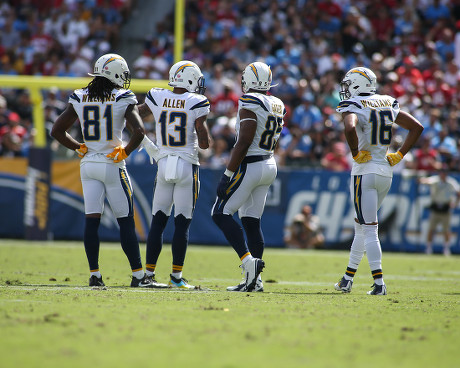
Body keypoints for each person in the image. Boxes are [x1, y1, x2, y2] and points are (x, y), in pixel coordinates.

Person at [51, 53, 156, 288]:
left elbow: (57, 130)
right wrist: (126, 151)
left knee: (91, 220)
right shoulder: (123, 97)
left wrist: (77, 146)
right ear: (115, 74)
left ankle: (95, 274)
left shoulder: (79, 96)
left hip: (88, 164)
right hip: (111, 163)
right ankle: (139, 276)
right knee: (126, 222)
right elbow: (139, 132)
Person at [334, 67, 423, 295]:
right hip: (385, 170)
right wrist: (400, 154)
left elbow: (350, 126)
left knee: (369, 229)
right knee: (361, 227)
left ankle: (379, 283)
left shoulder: (353, 105)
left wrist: (354, 151)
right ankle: (347, 278)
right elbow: (416, 127)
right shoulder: (387, 101)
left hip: (365, 170)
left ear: (356, 84)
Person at [211, 61, 285, 292]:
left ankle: (249, 263)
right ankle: (255, 281)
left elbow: (243, 141)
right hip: (269, 162)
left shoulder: (249, 101)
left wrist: (228, 173)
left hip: (251, 164)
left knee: (220, 213)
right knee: (251, 221)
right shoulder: (277, 103)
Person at [139, 60, 211, 289]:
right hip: (187, 165)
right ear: (190, 79)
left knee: (158, 222)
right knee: (182, 224)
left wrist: (148, 143)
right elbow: (205, 142)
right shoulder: (196, 101)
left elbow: (133, 116)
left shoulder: (158, 96)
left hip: (163, 164)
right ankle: (176, 278)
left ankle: (147, 274)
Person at [419, 168, 460, 255]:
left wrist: (455, 203)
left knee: (446, 230)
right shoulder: (436, 180)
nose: (443, 175)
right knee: (431, 229)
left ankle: (446, 248)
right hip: (436, 208)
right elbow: (427, 181)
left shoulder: (451, 182)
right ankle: (428, 248)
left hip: (446, 209)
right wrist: (421, 179)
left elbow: (458, 192)